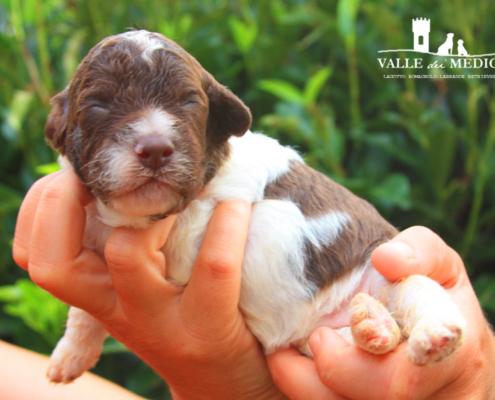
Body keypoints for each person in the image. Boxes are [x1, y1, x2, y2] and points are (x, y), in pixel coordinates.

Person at [11, 170, 495, 399]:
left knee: (408, 284)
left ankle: (430, 322)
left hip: (354, 274)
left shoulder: (246, 165)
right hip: (310, 339)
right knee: (345, 348)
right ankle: (379, 332)